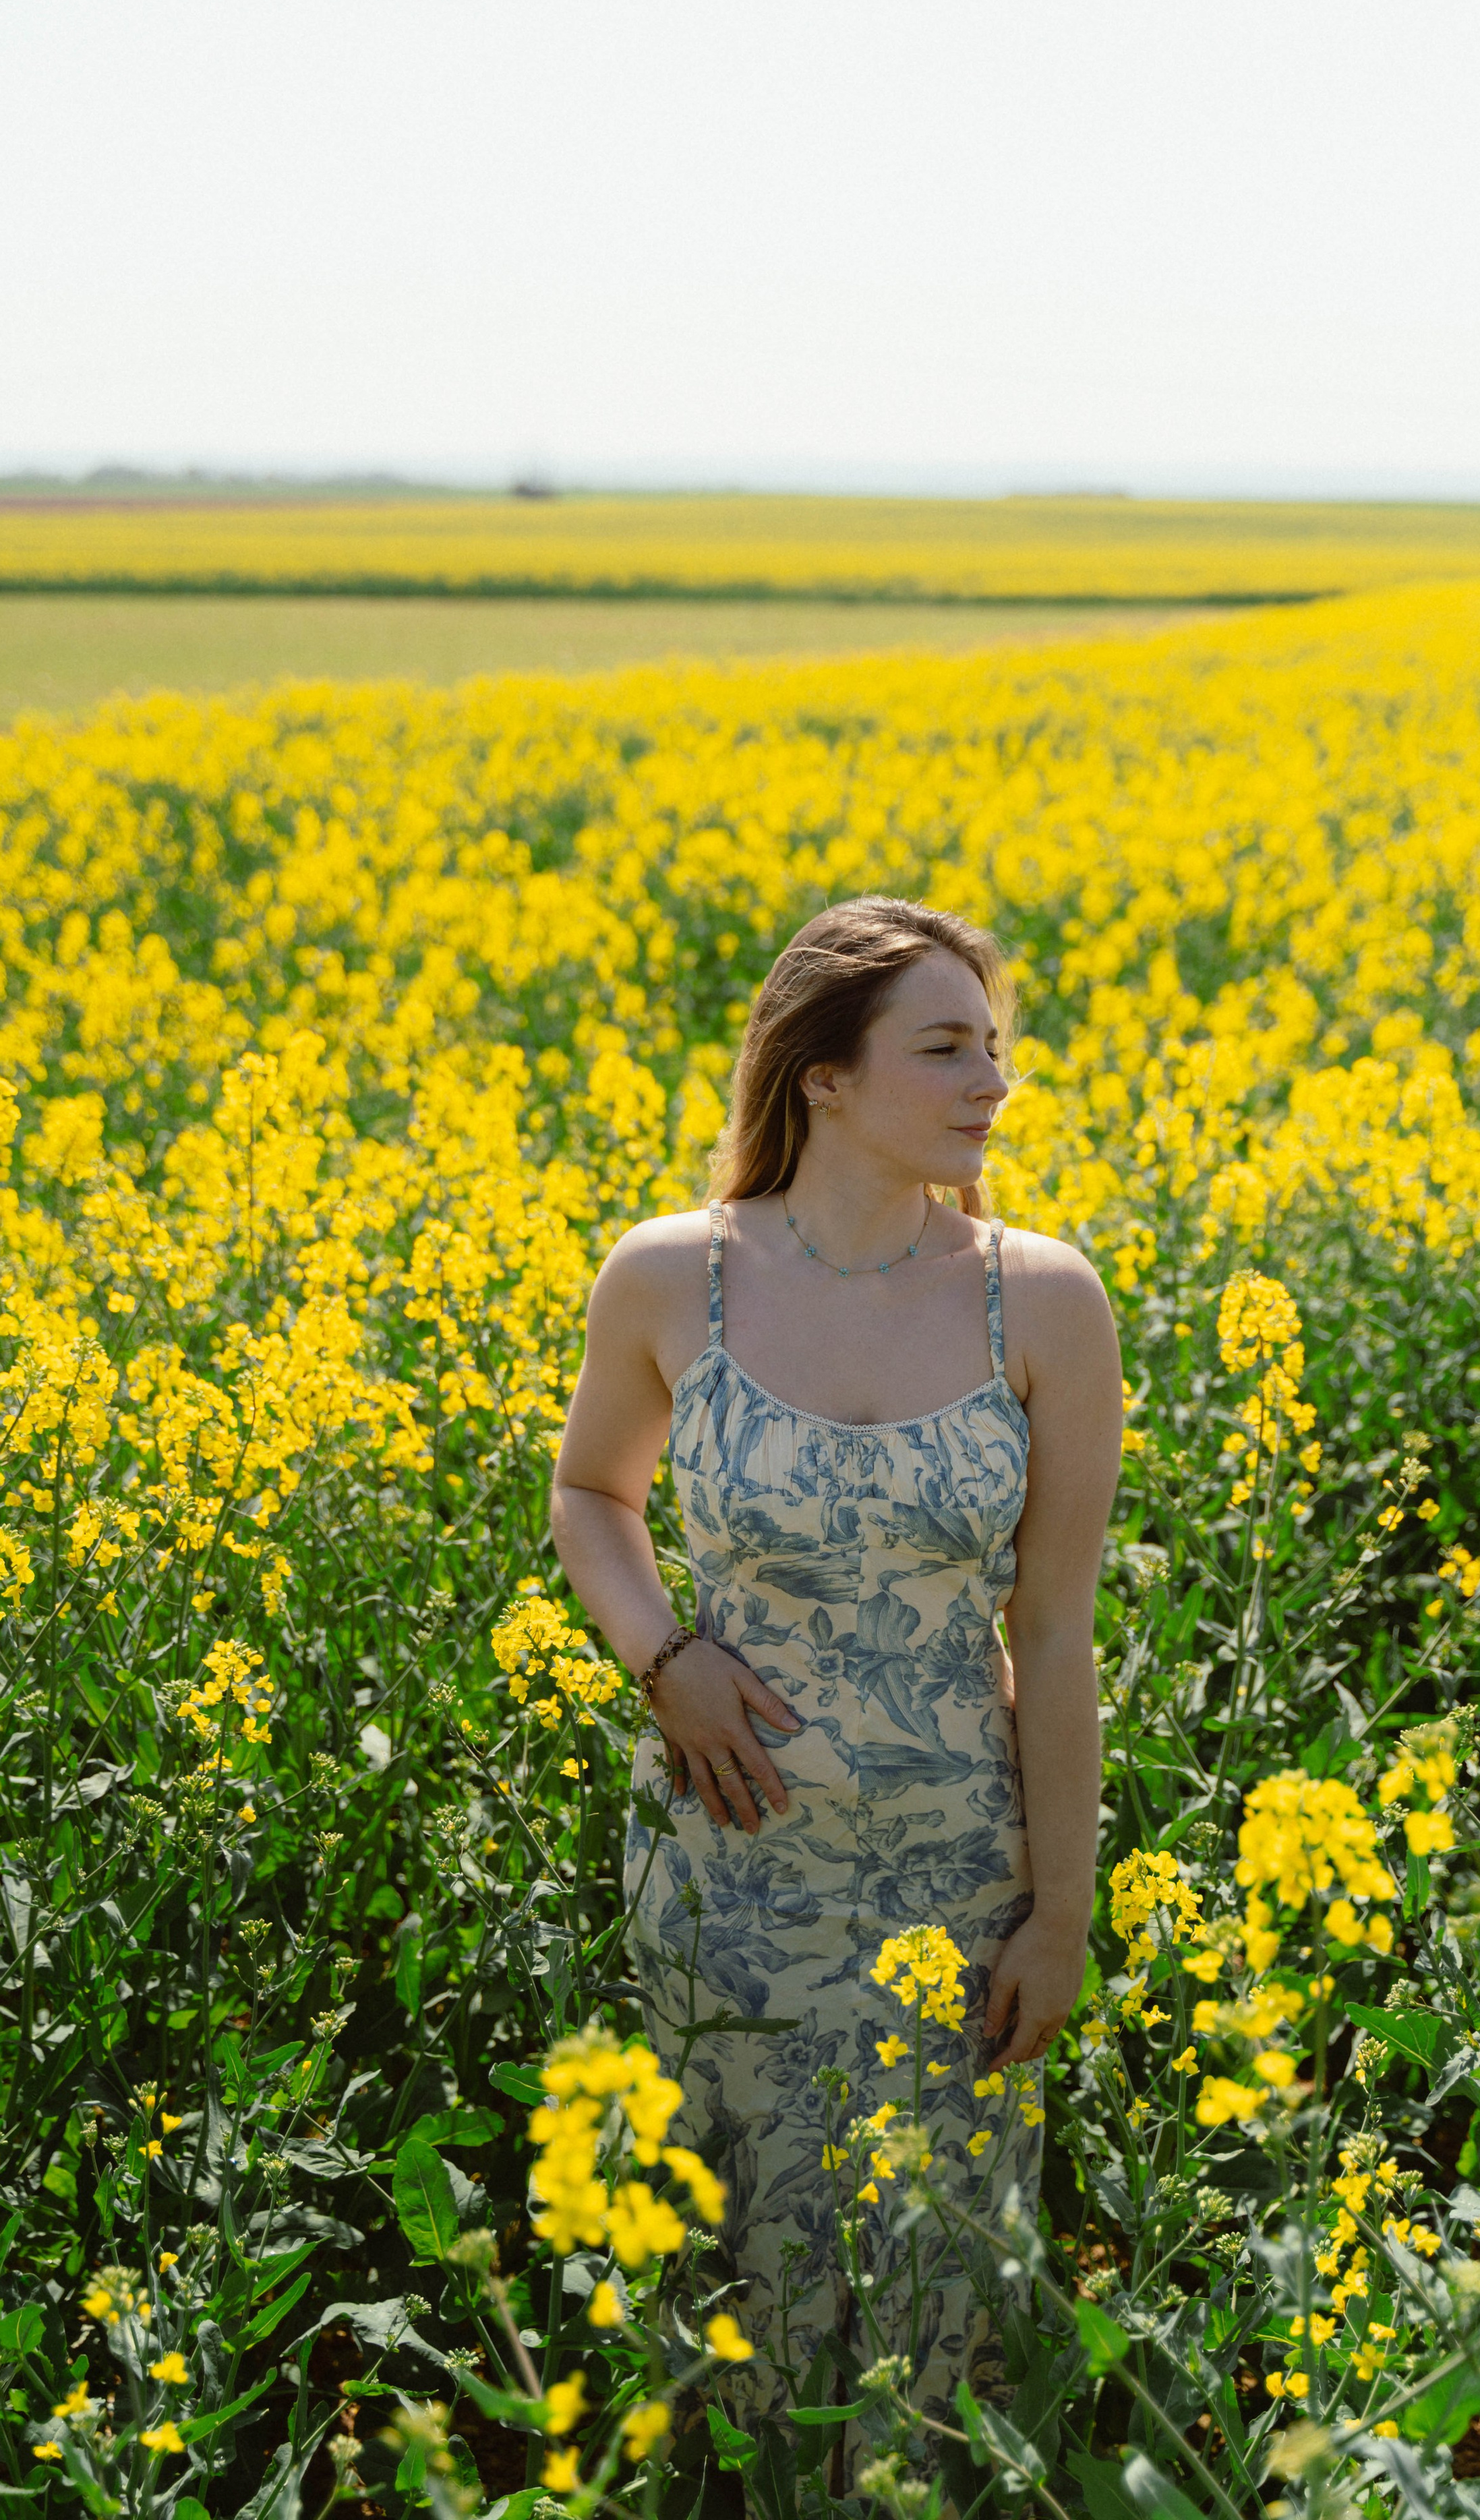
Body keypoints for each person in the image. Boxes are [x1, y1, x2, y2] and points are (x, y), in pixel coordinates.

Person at [550, 896, 1121, 2426]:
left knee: (939, 2290)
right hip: (731, 1876)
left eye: (993, 1049)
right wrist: (659, 1651)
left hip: (954, 1883)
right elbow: (589, 1494)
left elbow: (1052, 1631)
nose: (989, 1084)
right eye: (942, 1049)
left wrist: (1058, 1913)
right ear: (823, 1076)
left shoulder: (1045, 1299)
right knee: (741, 2282)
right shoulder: (675, 1276)